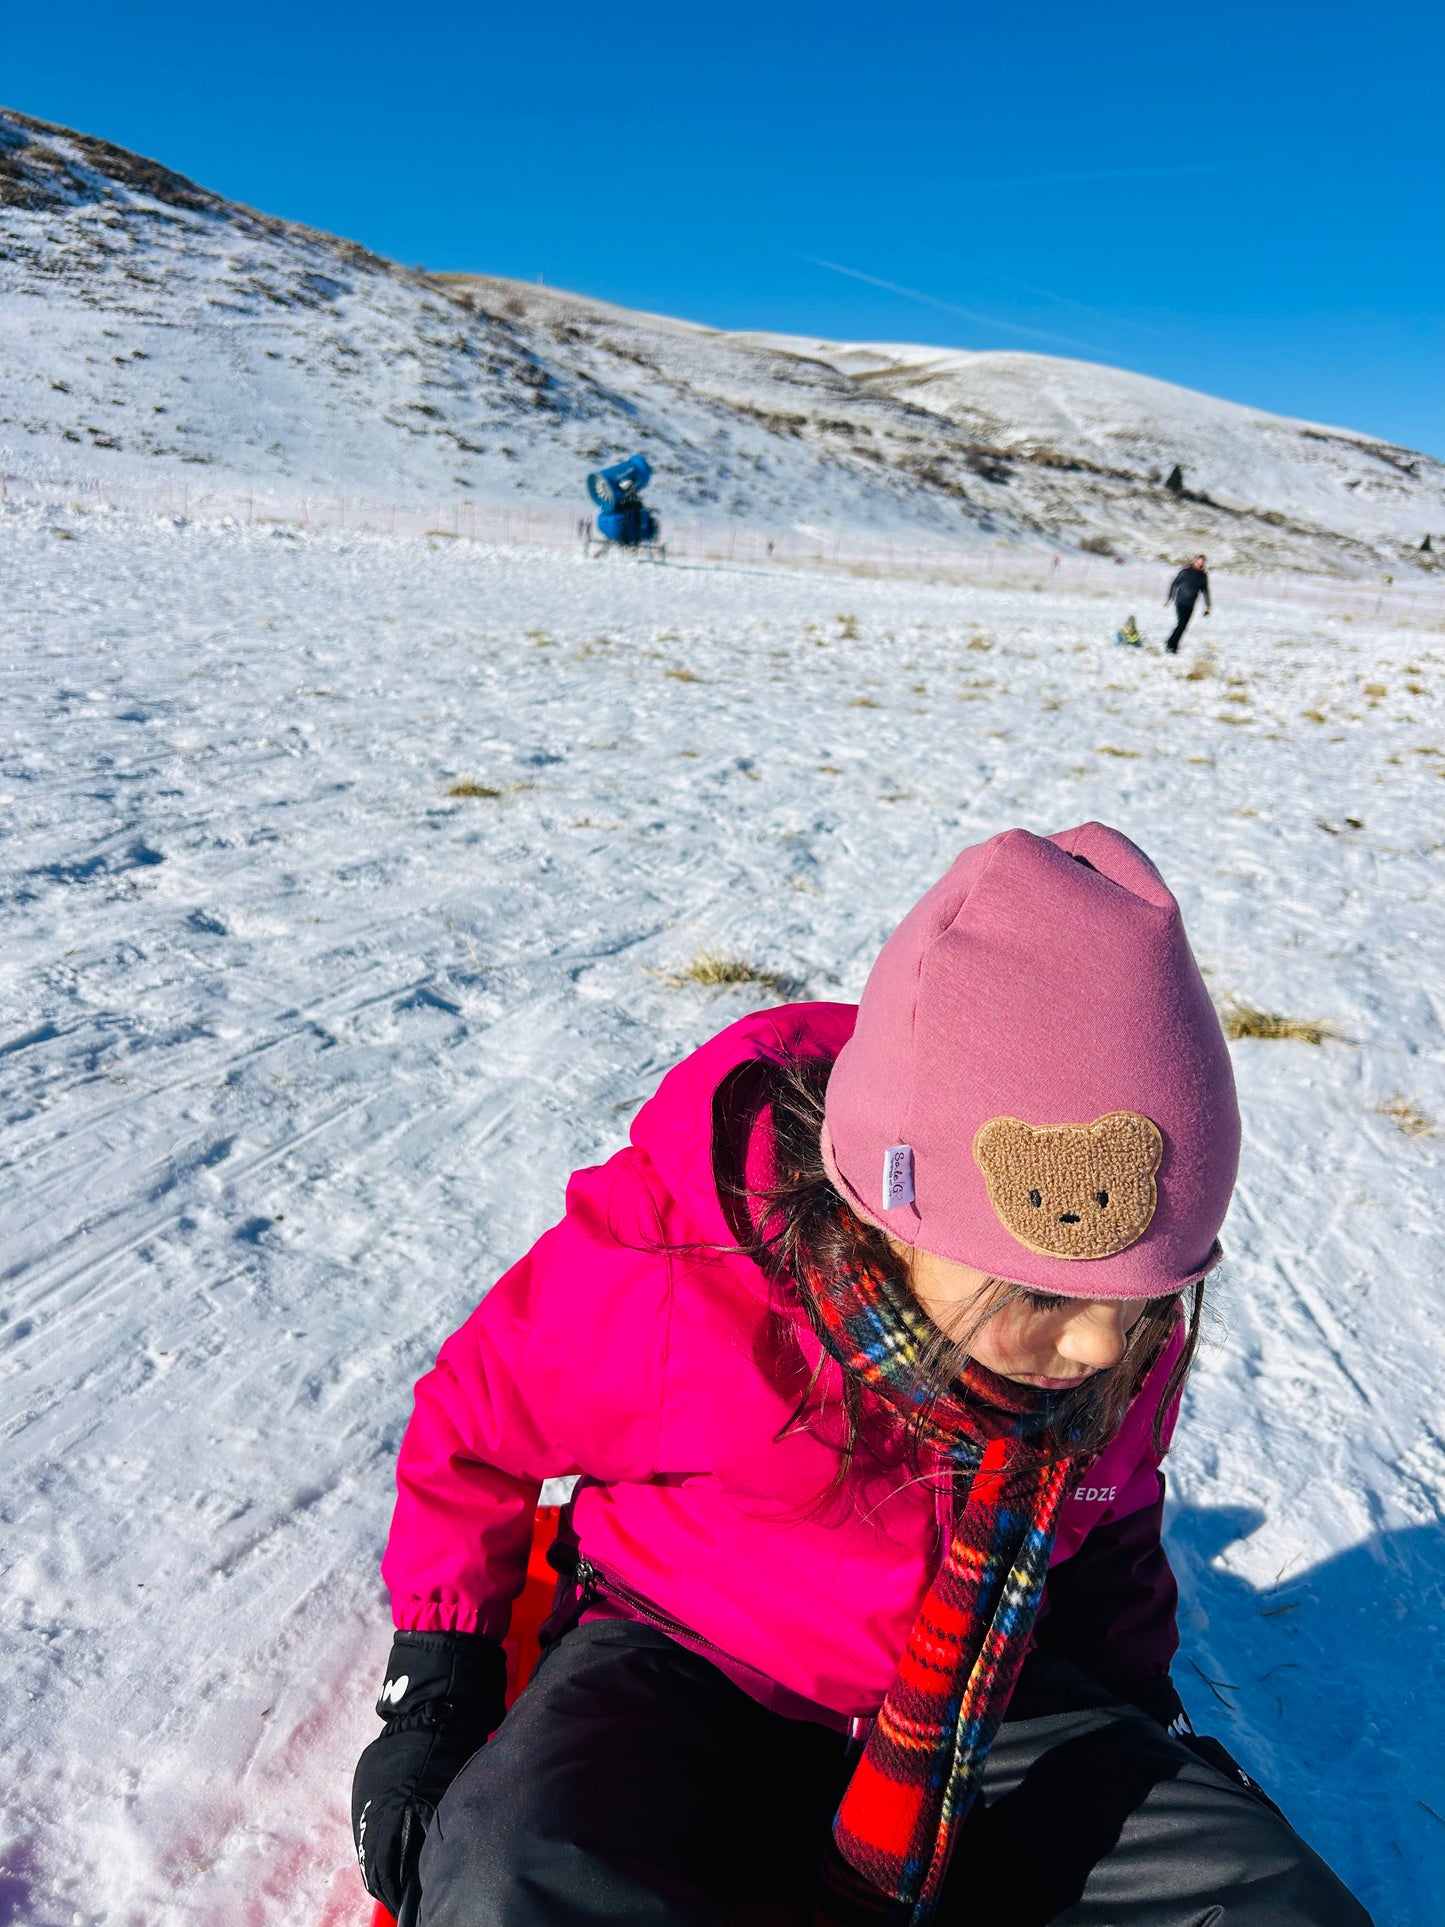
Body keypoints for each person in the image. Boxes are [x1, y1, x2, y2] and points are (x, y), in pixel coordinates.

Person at [352, 824, 1371, 1927]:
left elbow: (1110, 1519)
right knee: (519, 1878)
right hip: (688, 1666)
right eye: (1044, 1298)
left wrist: (1134, 1721)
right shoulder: (677, 1279)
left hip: (982, 1690)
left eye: (1143, 1300)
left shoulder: (1112, 1336)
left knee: (1269, 1906)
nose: (1097, 1349)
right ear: (882, 1218)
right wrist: (435, 1691)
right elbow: (472, 1423)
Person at [1164, 555, 1211, 654]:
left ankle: (1172, 643)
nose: (1200, 563)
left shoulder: (1203, 576)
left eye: (1202, 562)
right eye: (1199, 561)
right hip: (1180, 601)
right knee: (1181, 624)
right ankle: (1171, 646)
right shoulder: (1185, 572)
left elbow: (1205, 591)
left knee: (1183, 626)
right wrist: (1170, 598)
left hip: (1191, 604)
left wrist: (1208, 606)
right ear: (1194, 561)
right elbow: (1174, 583)